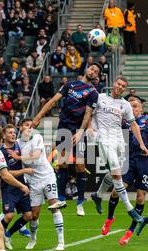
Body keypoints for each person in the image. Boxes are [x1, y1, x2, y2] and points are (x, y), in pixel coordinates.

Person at [32, 63, 101, 217]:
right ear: (87, 69)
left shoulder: (93, 92)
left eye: (96, 71)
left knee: (80, 164)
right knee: (62, 162)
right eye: (91, 68)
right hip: (63, 127)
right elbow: (53, 101)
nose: (93, 71)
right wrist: (38, 116)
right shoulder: (70, 84)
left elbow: (88, 113)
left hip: (78, 130)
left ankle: (80, 202)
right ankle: (61, 198)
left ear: (97, 76)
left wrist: (81, 132)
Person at [101, 97, 148, 245]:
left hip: (145, 161)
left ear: (141, 109)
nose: (132, 108)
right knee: (115, 191)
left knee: (140, 197)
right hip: (129, 159)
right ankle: (109, 218)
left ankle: (130, 231)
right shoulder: (123, 122)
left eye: (135, 106)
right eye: (130, 106)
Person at [88, 77, 148, 225]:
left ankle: (98, 194)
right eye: (118, 84)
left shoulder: (125, 105)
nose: (120, 87)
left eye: (123, 86)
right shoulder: (99, 97)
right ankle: (130, 209)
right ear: (113, 84)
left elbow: (133, 125)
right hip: (103, 139)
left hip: (119, 141)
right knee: (117, 175)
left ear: (125, 89)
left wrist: (141, 144)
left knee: (115, 172)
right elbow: (88, 113)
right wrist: (89, 126)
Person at [15, 119, 66, 251]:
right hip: (33, 181)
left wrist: (18, 157)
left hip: (47, 177)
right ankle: (33, 239)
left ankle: (61, 241)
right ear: (20, 127)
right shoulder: (17, 144)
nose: (29, 128)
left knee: (54, 205)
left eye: (31, 126)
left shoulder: (37, 137)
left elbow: (36, 155)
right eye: (26, 125)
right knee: (34, 215)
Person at [0, 124, 34, 249]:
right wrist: (24, 171)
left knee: (29, 215)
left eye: (14, 132)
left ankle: (8, 234)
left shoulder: (18, 145)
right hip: (9, 187)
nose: (13, 134)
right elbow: (6, 173)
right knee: (9, 215)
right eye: (9, 132)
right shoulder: (1, 152)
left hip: (21, 186)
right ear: (3, 136)